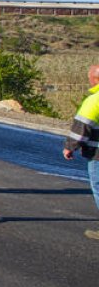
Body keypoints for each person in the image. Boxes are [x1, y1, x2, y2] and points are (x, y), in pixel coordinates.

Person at [62, 64, 99, 240]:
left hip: (97, 153)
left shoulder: (94, 100)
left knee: (98, 187)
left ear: (95, 79)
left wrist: (70, 147)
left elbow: (81, 127)